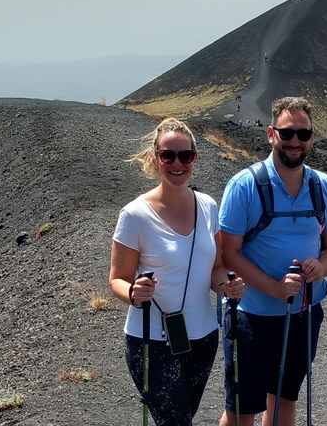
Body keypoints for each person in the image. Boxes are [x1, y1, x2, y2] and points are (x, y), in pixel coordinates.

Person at [218, 97, 327, 426]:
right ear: (271, 134)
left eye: (303, 135)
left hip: (304, 315)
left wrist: (322, 266)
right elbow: (228, 254)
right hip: (251, 316)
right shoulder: (244, 186)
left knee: (285, 401)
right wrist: (274, 288)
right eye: (287, 133)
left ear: (312, 138)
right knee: (242, 411)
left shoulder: (324, 187)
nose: (295, 142)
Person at [109, 117, 244, 426]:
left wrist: (228, 287)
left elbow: (217, 267)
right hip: (151, 341)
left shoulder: (208, 206)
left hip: (204, 337)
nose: (177, 163)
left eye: (186, 155)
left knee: (181, 419)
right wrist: (132, 293)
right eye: (167, 155)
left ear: (195, 158)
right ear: (156, 158)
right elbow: (117, 279)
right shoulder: (134, 216)